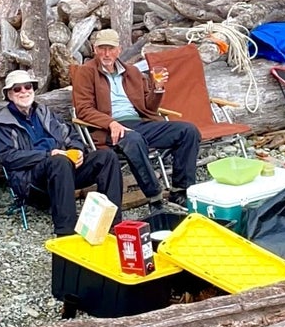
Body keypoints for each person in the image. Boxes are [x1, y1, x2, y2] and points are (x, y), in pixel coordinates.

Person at [69, 30, 199, 209]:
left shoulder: (132, 72)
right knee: (133, 139)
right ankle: (154, 197)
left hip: (140, 123)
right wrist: (111, 123)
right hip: (108, 129)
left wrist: (158, 89)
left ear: (119, 50)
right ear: (94, 49)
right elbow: (83, 109)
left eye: (111, 48)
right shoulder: (86, 72)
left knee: (188, 131)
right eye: (102, 48)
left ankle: (180, 191)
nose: (106, 53)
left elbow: (148, 107)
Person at [0, 70, 118, 236]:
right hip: (31, 181)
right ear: (8, 94)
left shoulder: (44, 112)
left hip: (63, 171)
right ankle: (66, 231)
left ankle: (113, 223)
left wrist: (77, 149)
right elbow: (9, 158)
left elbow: (71, 135)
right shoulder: (1, 123)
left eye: (28, 87)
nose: (24, 92)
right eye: (17, 89)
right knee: (59, 161)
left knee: (107, 157)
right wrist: (49, 155)